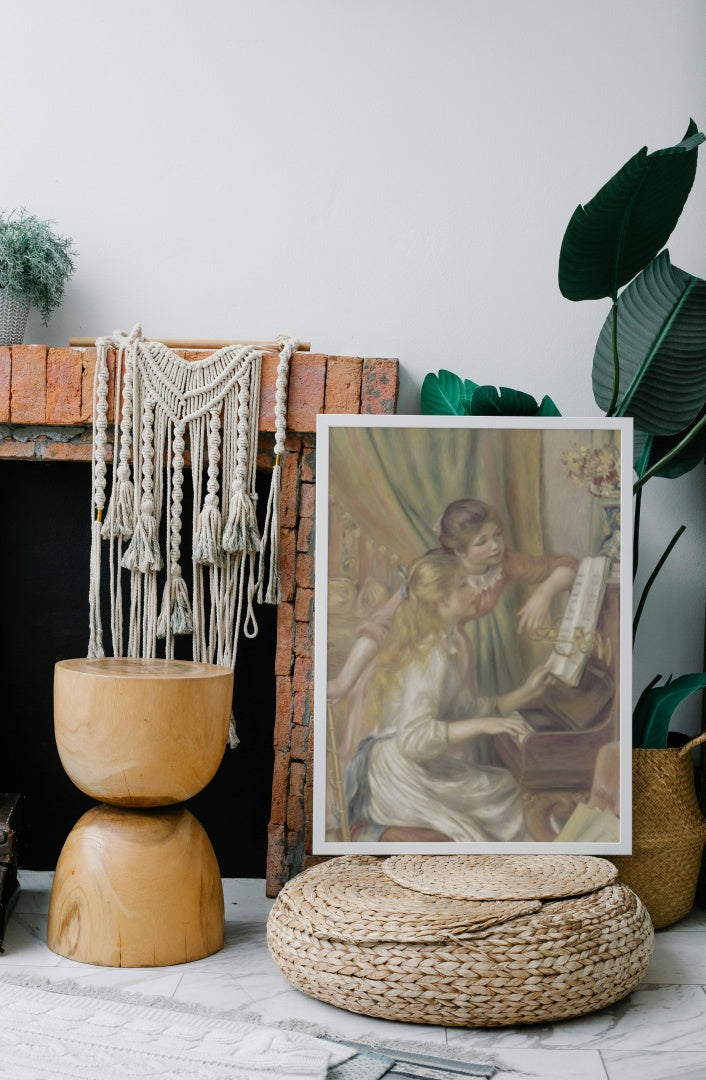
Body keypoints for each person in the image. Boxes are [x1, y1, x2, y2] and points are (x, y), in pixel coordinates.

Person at [327, 498, 578, 767]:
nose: (495, 546)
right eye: (482, 542)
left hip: (453, 654)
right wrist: (344, 681)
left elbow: (568, 566)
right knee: (411, 750)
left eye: (497, 536)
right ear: (459, 551)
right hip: (412, 664)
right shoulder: (436, 572)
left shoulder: (502, 564)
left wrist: (544, 592)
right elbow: (382, 624)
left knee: (455, 742)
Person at [345, 550, 555, 842]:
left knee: (503, 787)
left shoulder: (453, 642)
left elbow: (467, 709)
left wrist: (527, 691)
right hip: (397, 776)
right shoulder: (431, 654)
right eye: (463, 586)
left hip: (416, 766)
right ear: (441, 600)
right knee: (501, 798)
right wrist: (485, 725)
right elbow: (413, 740)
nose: (475, 590)